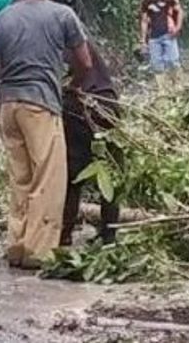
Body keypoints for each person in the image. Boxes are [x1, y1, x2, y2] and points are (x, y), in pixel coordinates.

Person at [0, 0, 91, 269]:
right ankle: (39, 252)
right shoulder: (63, 14)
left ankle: (17, 245)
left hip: (8, 105)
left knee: (19, 177)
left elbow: (1, 66)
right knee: (48, 178)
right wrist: (71, 84)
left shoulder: (2, 19)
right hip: (41, 103)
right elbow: (85, 62)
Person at [61, 40, 120, 246]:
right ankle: (109, 233)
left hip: (79, 105)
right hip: (107, 103)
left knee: (72, 175)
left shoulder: (57, 40)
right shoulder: (79, 38)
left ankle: (65, 232)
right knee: (110, 172)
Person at [138, 0, 183, 78]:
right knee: (156, 66)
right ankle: (163, 90)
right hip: (153, 37)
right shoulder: (145, 1)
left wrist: (178, 27)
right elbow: (144, 21)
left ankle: (178, 85)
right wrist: (143, 40)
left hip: (168, 33)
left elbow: (179, 11)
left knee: (173, 62)